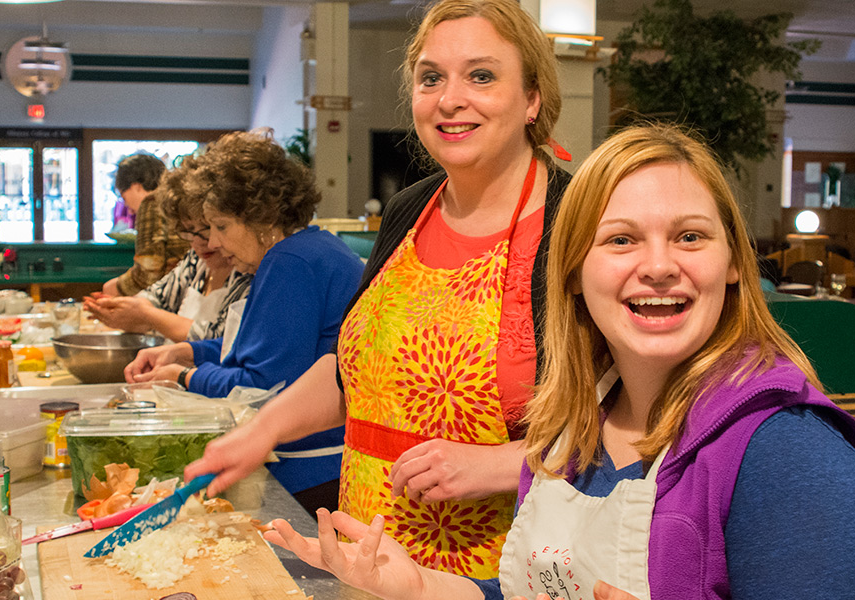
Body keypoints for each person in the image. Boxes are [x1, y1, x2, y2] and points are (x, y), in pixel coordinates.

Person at [262, 124, 855, 600]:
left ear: (734, 265)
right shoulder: (574, 429)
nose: (656, 265)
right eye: (621, 240)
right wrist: (422, 587)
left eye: (690, 236)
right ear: (571, 273)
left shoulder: (788, 451)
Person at [182, 0, 568, 578]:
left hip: (501, 573)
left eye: (481, 75)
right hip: (370, 561)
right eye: (430, 77)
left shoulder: (580, 220)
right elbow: (353, 374)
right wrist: (259, 432)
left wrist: (496, 466)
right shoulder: (409, 210)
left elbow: (638, 426)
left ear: (532, 98)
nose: (449, 98)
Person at [124, 129, 364, 515]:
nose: (214, 243)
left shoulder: (290, 262)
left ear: (261, 216)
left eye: (221, 226)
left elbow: (261, 386)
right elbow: (265, 347)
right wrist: (186, 351)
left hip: (312, 470)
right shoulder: (309, 250)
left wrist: (184, 376)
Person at [84, 155, 252, 343]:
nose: (201, 242)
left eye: (207, 229)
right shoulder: (196, 262)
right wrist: (124, 307)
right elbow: (157, 295)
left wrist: (144, 314)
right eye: (189, 232)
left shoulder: (247, 272)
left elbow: (220, 339)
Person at [102, 153, 191, 297]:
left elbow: (148, 273)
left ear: (136, 186)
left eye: (123, 196)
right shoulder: (177, 199)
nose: (127, 207)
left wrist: (114, 288)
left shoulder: (152, 202)